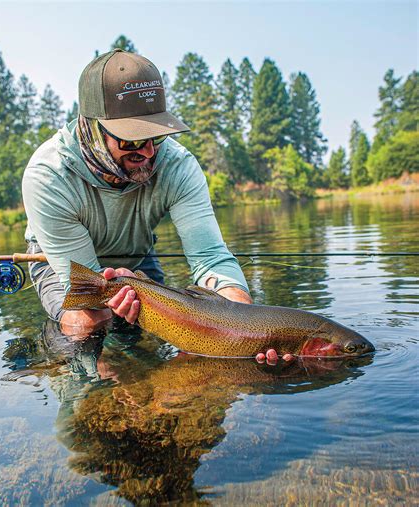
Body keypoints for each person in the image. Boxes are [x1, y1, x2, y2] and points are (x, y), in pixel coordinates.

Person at [22, 49, 290, 364]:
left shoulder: (178, 166)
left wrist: (245, 327)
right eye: (132, 140)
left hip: (138, 254)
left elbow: (210, 257)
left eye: (156, 136)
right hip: (64, 264)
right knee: (89, 322)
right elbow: (87, 288)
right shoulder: (49, 177)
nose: (148, 152)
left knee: (162, 333)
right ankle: (70, 375)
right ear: (93, 128)